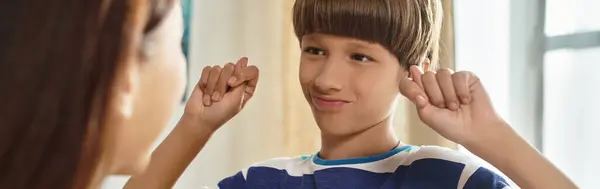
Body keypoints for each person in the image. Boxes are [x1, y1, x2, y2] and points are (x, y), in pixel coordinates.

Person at [126, 0, 578, 189]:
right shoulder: (263, 183)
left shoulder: (450, 178)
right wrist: (194, 127)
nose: (326, 79)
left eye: (360, 57)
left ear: (412, 68)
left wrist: (492, 135)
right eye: (315, 50)